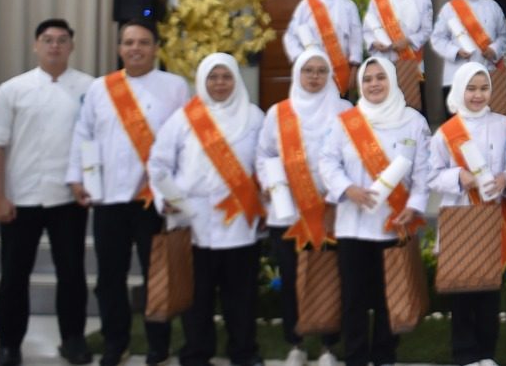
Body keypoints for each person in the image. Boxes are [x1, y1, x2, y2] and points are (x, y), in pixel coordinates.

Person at [67, 20, 190, 366]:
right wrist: (77, 178)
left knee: (158, 275)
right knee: (110, 277)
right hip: (108, 198)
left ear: (156, 48)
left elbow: (186, 140)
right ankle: (114, 342)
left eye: (143, 42)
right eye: (129, 42)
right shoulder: (101, 88)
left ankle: (158, 344)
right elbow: (83, 135)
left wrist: (177, 191)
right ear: (119, 48)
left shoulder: (175, 86)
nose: (136, 48)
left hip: (154, 200)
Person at [149, 54, 266, 366]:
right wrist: (165, 199)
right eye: (213, 77)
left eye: (226, 76)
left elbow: (266, 161)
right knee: (196, 295)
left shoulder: (254, 117)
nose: (219, 83)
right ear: (202, 80)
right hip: (193, 219)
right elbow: (159, 164)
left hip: (239, 218)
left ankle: (244, 351)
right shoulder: (183, 119)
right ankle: (197, 352)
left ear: (236, 79)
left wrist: (267, 199)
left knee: (240, 294)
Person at [0, 18, 95, 366]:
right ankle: (8, 345)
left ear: (72, 46)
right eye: (48, 40)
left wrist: (90, 185)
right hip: (21, 197)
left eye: (62, 40)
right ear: (36, 45)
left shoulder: (89, 87)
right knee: (14, 276)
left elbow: (94, 142)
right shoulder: (12, 89)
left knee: (72, 273)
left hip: (68, 197)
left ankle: (73, 340)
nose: (54, 46)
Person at [318, 57, 431, 366]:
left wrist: (414, 205)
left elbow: (423, 171)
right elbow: (327, 161)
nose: (374, 84)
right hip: (352, 226)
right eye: (367, 79)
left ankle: (384, 356)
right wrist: (347, 188)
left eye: (380, 77)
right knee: (353, 298)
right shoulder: (346, 122)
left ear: (392, 80)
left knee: (389, 296)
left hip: (393, 223)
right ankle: (355, 357)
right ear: (360, 85)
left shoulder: (414, 121)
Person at [255, 51, 350, 366]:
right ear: (297, 73)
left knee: (329, 277)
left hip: (330, 211)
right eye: (308, 70)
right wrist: (270, 183)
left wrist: (335, 195)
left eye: (321, 70)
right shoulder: (278, 113)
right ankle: (295, 343)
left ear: (329, 75)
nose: (314, 76)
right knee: (292, 277)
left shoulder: (344, 111)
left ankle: (328, 346)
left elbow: (352, 158)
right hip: (288, 213)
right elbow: (264, 155)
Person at [426, 63, 506, 366]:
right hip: (460, 214)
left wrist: (505, 178)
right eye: (471, 88)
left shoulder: (504, 124)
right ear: (460, 90)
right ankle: (464, 354)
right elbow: (431, 174)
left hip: (491, 215)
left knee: (489, 289)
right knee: (462, 289)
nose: (478, 95)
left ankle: (486, 353)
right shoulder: (446, 132)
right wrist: (459, 177)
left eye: (484, 88)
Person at [363, 0, 434, 113]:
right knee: (386, 106)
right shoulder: (378, 0)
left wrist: (408, 41)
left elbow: (426, 30)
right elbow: (368, 30)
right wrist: (375, 43)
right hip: (385, 59)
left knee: (412, 107)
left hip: (411, 60)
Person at [431, 0, 506, 102]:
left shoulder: (493, 7)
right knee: (457, 114)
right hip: (457, 71)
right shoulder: (450, 8)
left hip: (487, 70)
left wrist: (494, 49)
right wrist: (456, 51)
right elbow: (437, 38)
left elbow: (504, 35)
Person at [284, 0, 363, 95]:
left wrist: (354, 67)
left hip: (340, 70)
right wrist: (300, 58)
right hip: (313, 70)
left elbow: (356, 37)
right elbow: (290, 36)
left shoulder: (348, 6)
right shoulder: (306, 6)